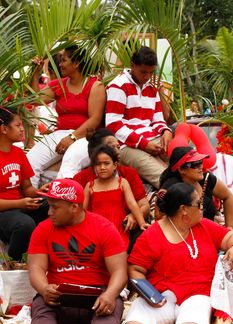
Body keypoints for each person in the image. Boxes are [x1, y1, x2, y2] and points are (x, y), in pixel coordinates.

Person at [114, 183, 233, 324]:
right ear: (184, 209)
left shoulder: (204, 225)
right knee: (141, 308)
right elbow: (135, 270)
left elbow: (229, 237)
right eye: (198, 204)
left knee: (198, 312)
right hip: (163, 297)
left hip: (198, 293)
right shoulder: (151, 235)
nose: (202, 208)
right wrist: (152, 297)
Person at [20, 178, 127, 324]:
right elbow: (36, 268)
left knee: (113, 304)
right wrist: (44, 289)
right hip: (58, 298)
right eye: (49, 206)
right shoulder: (42, 229)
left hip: (97, 297)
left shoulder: (104, 227)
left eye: (55, 207)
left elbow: (120, 271)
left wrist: (110, 294)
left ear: (74, 207)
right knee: (41, 305)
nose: (49, 212)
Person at [27, 44, 106, 187]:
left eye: (63, 60)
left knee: (70, 162)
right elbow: (35, 100)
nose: (60, 64)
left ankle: (63, 202)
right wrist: (36, 72)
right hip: (61, 134)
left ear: (76, 63)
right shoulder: (58, 84)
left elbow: (95, 119)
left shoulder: (95, 86)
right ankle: (32, 202)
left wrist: (72, 137)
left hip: (86, 136)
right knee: (30, 161)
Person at [105, 46, 173, 189]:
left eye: (151, 72)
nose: (147, 76)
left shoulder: (151, 87)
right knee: (163, 176)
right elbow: (113, 125)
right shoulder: (118, 86)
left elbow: (158, 119)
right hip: (124, 145)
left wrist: (165, 131)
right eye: (143, 72)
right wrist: (143, 144)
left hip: (151, 139)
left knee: (185, 160)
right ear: (132, 65)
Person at [73, 128, 150, 233]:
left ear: (114, 165)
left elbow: (143, 205)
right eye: (111, 147)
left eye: (118, 146)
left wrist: (134, 216)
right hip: (95, 229)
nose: (117, 150)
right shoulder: (81, 179)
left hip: (124, 226)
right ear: (95, 153)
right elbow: (81, 210)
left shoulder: (128, 175)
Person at [0, 107, 48, 261]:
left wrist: (41, 192)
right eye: (18, 125)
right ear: (4, 129)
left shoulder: (19, 153)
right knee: (25, 224)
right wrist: (20, 203)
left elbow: (27, 188)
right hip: (4, 212)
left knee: (54, 205)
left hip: (20, 206)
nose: (22, 129)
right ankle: (14, 262)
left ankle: (45, 256)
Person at [83, 145, 149, 248]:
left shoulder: (122, 182)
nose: (102, 167)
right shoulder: (89, 186)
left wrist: (141, 223)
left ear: (115, 165)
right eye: (98, 164)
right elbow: (83, 210)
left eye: (106, 163)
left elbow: (132, 204)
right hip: (97, 230)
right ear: (94, 167)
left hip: (118, 229)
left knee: (120, 252)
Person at [159, 146, 233, 228]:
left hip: (210, 231)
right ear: (181, 169)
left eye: (200, 161)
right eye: (195, 164)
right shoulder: (171, 188)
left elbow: (228, 196)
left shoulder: (207, 178)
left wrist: (230, 227)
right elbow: (160, 219)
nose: (200, 167)